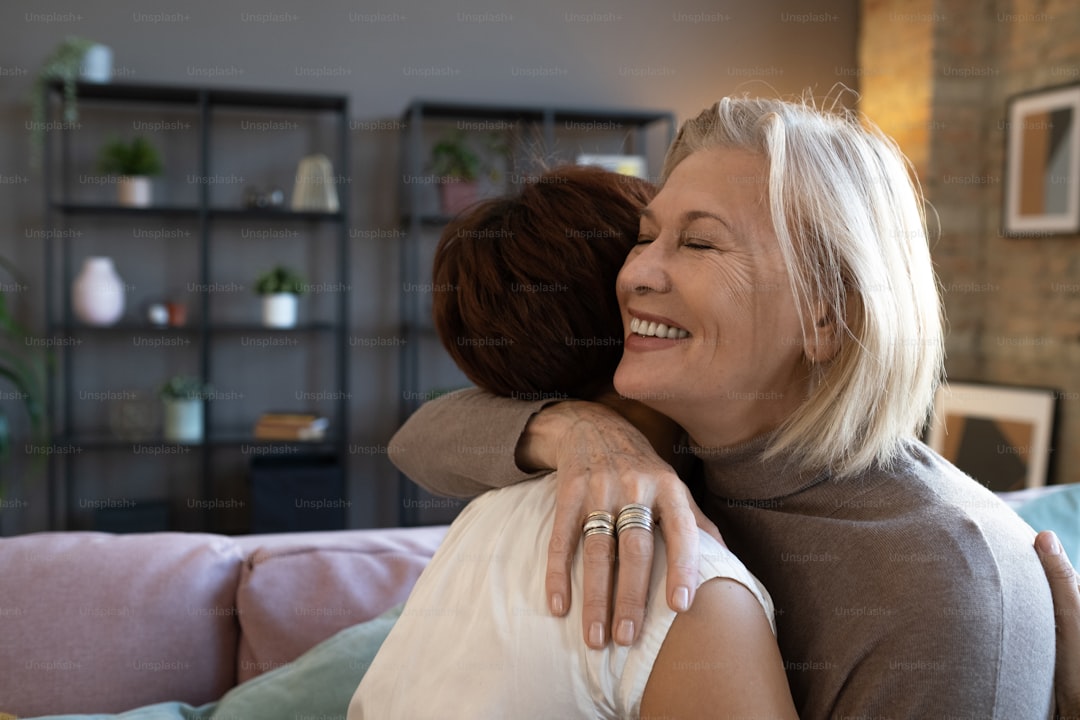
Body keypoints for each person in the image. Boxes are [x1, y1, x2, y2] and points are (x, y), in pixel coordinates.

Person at [389, 96, 1056, 717]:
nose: (637, 274)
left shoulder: (945, 586)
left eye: (700, 243)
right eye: (645, 237)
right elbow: (417, 441)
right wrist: (575, 431)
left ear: (825, 317)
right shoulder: (678, 452)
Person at [348, 165, 797, 718]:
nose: (652, 269)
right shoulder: (692, 587)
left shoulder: (482, 520)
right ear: (639, 308)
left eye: (695, 244)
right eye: (647, 241)